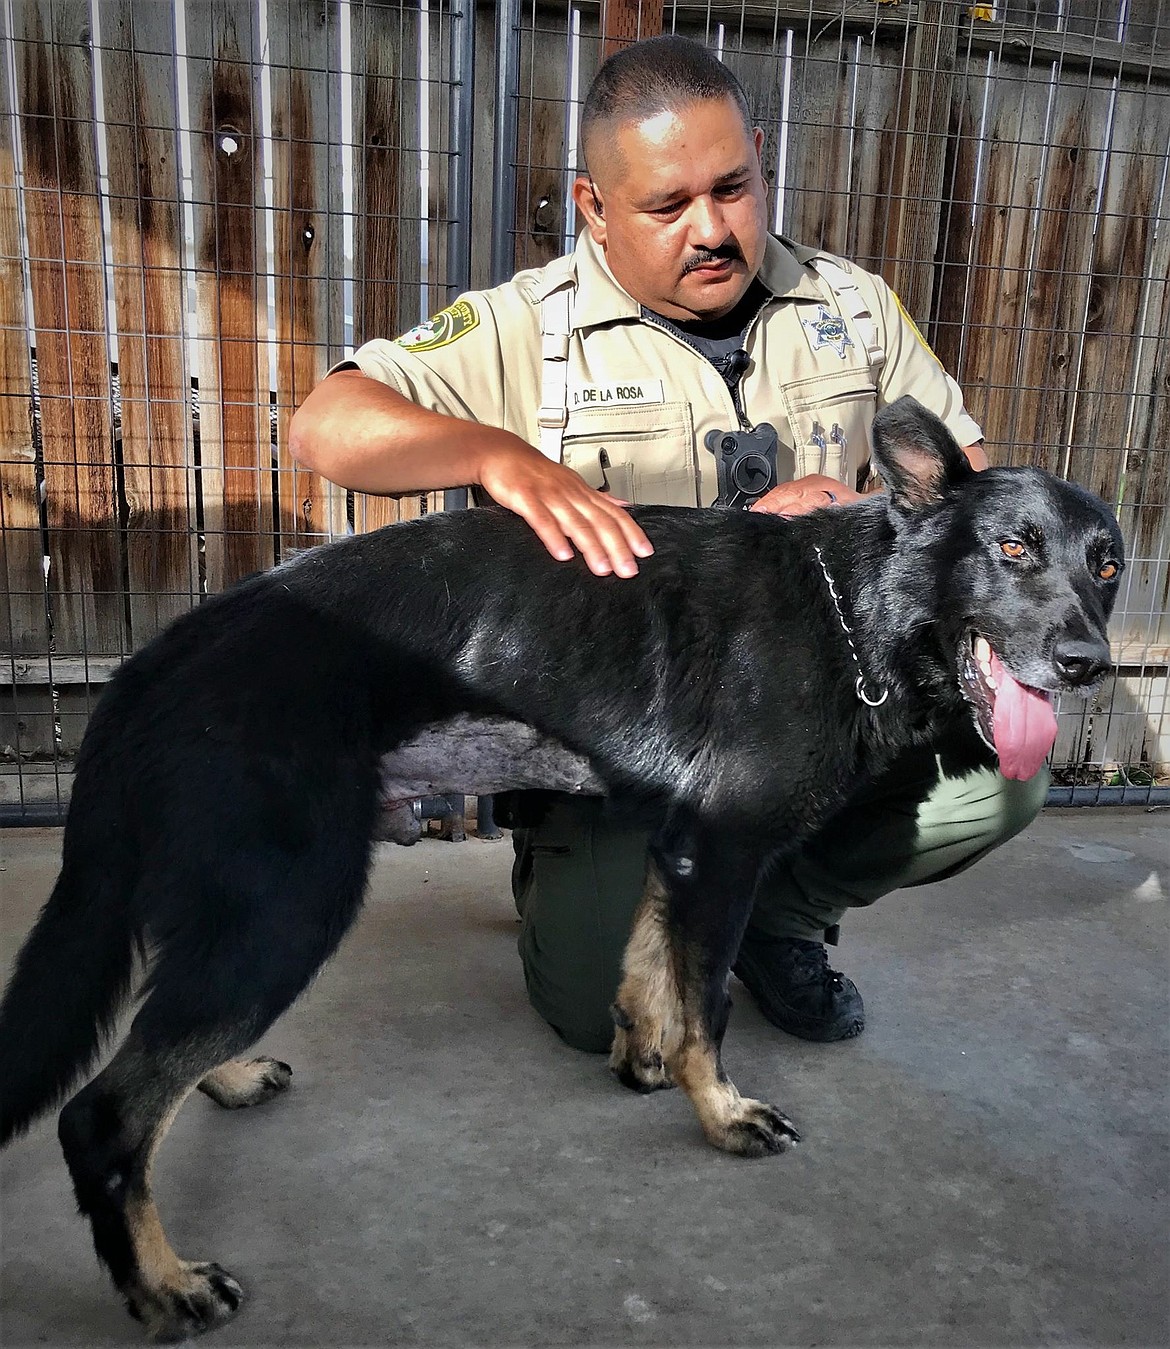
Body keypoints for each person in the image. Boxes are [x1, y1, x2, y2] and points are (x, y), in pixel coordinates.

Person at [290, 34, 1048, 1055]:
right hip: (624, 741)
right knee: (596, 1011)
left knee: (1005, 765)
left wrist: (861, 516)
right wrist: (501, 455)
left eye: (733, 187)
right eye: (666, 205)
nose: (712, 229)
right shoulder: (531, 327)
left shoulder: (852, 307)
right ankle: (570, 868)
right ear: (593, 206)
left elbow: (973, 484)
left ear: (762, 158)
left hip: (816, 714)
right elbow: (327, 424)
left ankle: (781, 910)